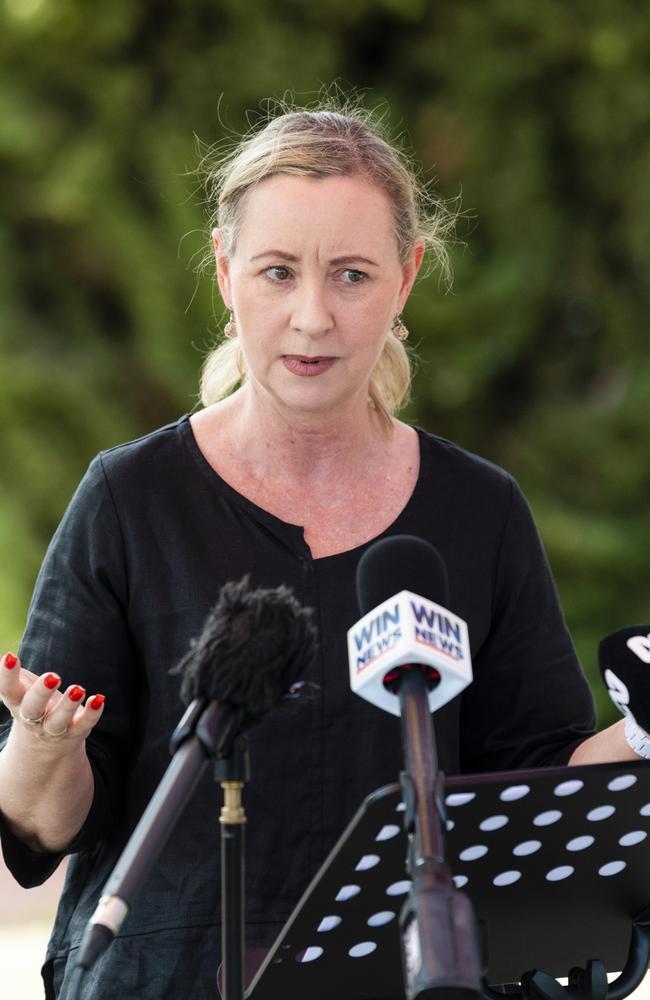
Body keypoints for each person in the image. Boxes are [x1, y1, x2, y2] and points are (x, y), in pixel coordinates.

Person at [0, 104, 638, 1000]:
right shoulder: (129, 500)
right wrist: (39, 748)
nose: (312, 316)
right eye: (276, 271)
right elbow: (47, 821)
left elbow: (541, 781)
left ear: (406, 277)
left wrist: (644, 728)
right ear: (225, 272)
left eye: (350, 274)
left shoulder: (479, 510)